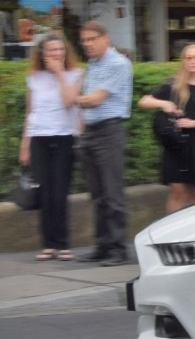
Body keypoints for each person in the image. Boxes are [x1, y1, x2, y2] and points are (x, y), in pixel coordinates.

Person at [19, 33, 82, 261]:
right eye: (50, 50)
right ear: (42, 54)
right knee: (45, 193)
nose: (56, 53)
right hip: (39, 139)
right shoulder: (33, 77)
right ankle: (48, 245)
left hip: (64, 137)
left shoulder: (76, 74)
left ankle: (63, 244)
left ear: (65, 52)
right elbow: (30, 112)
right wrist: (25, 144)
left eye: (59, 49)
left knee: (60, 193)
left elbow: (69, 101)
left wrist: (58, 74)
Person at [76, 21, 133, 266]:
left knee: (112, 193)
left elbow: (95, 99)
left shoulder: (118, 63)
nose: (87, 44)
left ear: (105, 38)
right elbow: (87, 101)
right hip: (91, 132)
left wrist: (73, 98)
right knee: (97, 195)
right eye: (84, 41)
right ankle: (103, 245)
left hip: (109, 132)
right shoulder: (93, 64)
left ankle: (119, 249)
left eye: (91, 39)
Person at [138, 43, 195, 213]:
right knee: (176, 190)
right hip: (175, 142)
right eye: (189, 57)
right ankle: (171, 235)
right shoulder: (173, 84)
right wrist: (164, 103)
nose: (194, 61)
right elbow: (144, 101)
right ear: (183, 61)